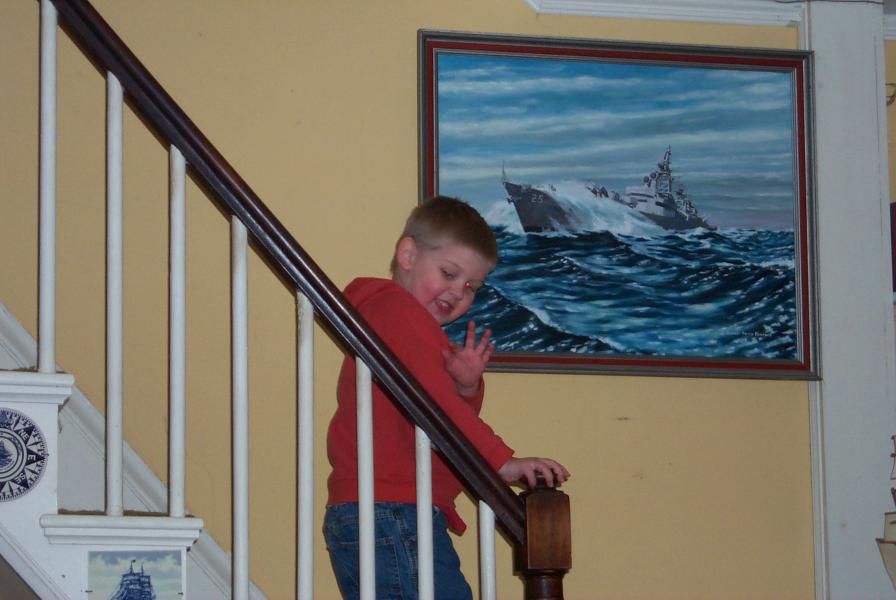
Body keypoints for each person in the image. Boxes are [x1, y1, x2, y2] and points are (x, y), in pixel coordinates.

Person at [324, 196, 570, 600]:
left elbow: (433, 421)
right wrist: (501, 462)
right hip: (393, 510)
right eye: (449, 273)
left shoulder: (398, 322)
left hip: (384, 510)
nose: (458, 292)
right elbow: (440, 410)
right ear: (408, 255)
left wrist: (466, 387)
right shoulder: (398, 311)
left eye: (471, 286)